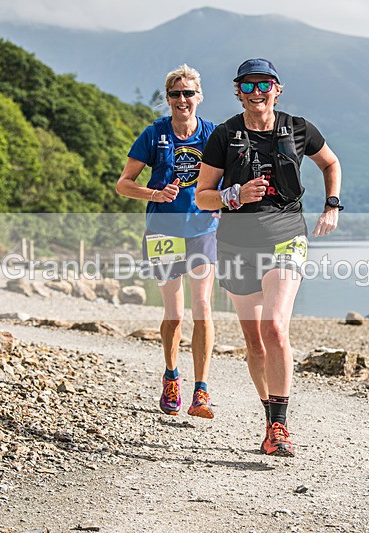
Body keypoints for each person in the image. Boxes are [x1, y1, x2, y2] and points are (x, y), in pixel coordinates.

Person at [196, 58, 343, 456]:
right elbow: (202, 195)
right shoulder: (224, 135)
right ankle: (269, 415)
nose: (256, 92)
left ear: (278, 89)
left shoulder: (298, 128)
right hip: (236, 242)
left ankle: (279, 427)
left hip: (286, 236)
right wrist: (235, 195)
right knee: (255, 341)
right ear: (237, 91)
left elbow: (330, 162)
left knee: (276, 328)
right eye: (247, 86)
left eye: (264, 85)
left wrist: (331, 205)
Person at [116, 64, 218, 419]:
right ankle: (171, 376)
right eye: (175, 95)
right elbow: (123, 183)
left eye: (188, 93)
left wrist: (224, 203)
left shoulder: (212, 135)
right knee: (174, 314)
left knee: (203, 308)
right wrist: (154, 194)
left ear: (199, 97)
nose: (181, 100)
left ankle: (201, 390)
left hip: (203, 230)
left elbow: (232, 178)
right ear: (167, 99)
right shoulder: (154, 134)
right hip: (163, 231)